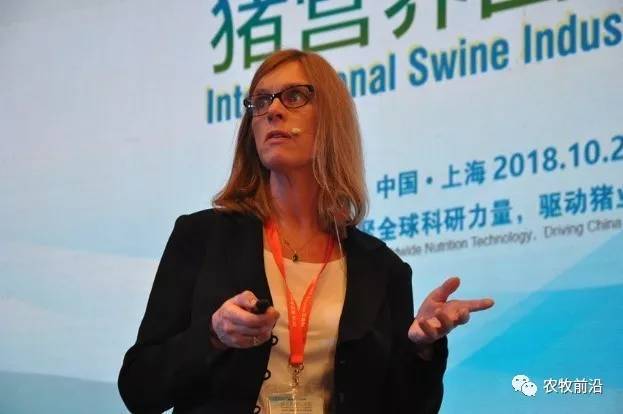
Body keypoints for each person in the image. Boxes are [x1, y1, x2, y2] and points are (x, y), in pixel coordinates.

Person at [118, 49, 494, 414]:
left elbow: (408, 408)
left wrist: (422, 349)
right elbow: (139, 388)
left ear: (331, 119)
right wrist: (213, 335)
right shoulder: (202, 237)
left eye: (294, 96)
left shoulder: (382, 267)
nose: (273, 110)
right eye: (260, 101)